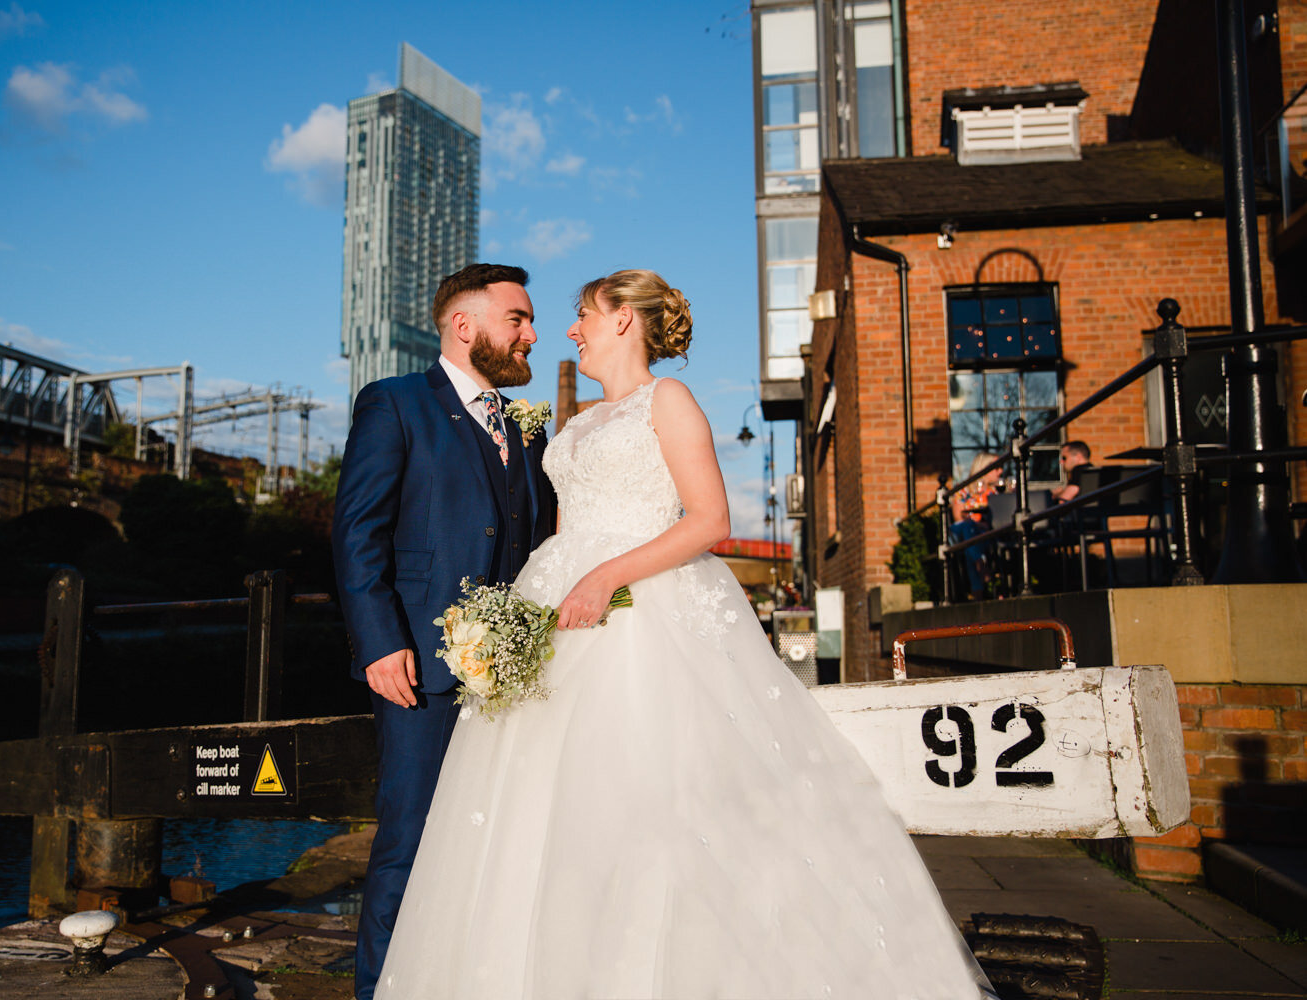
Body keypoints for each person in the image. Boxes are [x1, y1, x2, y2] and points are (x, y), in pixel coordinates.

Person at [374, 270, 995, 999]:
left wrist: (607, 578)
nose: (569, 331)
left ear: (623, 322)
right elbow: (564, 528)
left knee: (654, 803)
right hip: (558, 613)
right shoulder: (568, 426)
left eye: (580, 315)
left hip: (645, 609)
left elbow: (708, 520)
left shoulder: (668, 401)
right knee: (545, 811)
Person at [332, 262, 558, 1000]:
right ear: (465, 327)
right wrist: (379, 640)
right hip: (420, 668)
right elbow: (357, 531)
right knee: (409, 839)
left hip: (515, 672)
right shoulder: (395, 404)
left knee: (496, 835)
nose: (531, 333)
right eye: (517, 319)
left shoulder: (526, 430)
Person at [948, 452, 1003, 600]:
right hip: (964, 531)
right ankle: (985, 574)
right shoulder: (964, 490)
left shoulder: (996, 492)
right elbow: (958, 516)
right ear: (984, 468)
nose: (1001, 471)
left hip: (983, 532)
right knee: (969, 530)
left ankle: (978, 592)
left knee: (971, 547)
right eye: (996, 468)